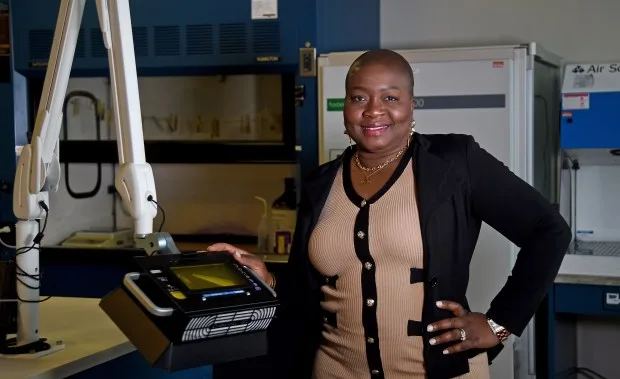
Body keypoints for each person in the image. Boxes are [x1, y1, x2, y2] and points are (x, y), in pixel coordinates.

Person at [207, 49, 571, 379]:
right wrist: (266, 277)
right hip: (335, 371)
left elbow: (548, 230)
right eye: (359, 97)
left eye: (390, 97)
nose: (373, 110)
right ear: (346, 107)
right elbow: (307, 292)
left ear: (412, 105)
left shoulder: (454, 162)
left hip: (436, 372)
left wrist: (499, 325)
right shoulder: (321, 183)